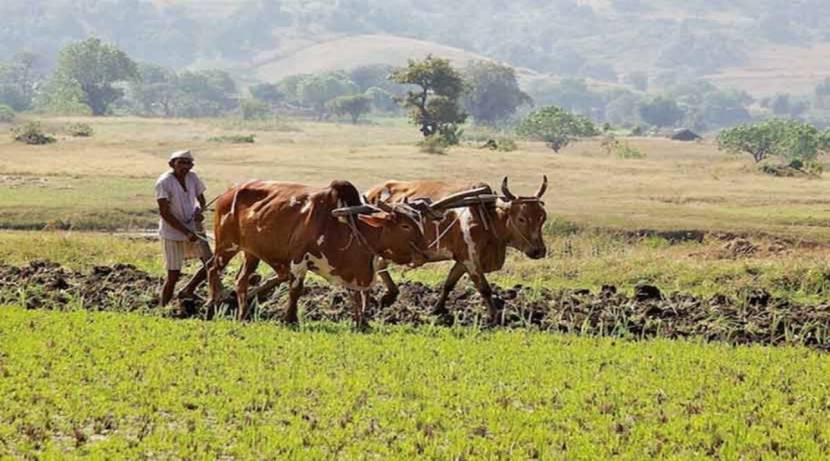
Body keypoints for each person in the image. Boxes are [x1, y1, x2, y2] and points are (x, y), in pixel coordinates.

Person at [155, 149, 213, 312]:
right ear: (172, 164)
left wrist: (200, 211)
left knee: (211, 263)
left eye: (188, 163)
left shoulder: (192, 177)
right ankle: (163, 309)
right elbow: (164, 213)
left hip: (192, 229)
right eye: (181, 162)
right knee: (173, 274)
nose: (185, 166)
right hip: (172, 232)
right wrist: (186, 233)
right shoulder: (163, 182)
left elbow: (201, 198)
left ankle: (189, 289)